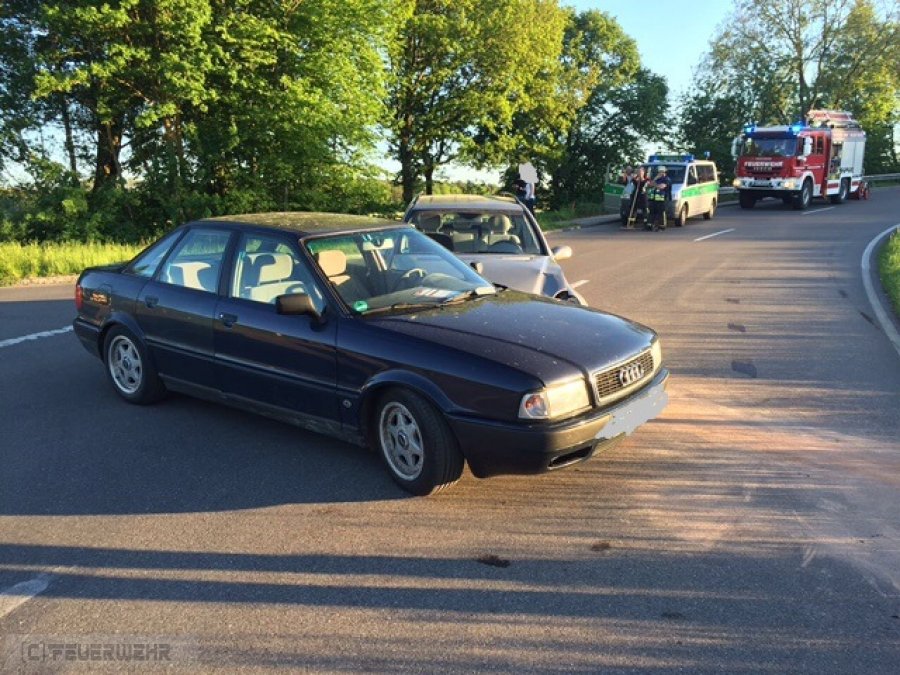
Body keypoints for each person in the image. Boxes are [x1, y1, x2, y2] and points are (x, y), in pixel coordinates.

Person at [648, 165, 672, 231]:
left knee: (661, 213)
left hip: (663, 199)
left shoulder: (667, 179)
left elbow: (661, 187)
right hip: (655, 199)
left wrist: (654, 185)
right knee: (652, 212)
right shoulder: (657, 179)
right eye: (659, 172)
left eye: (661, 172)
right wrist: (655, 179)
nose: (660, 173)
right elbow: (650, 185)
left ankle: (661, 226)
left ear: (664, 172)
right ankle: (651, 225)